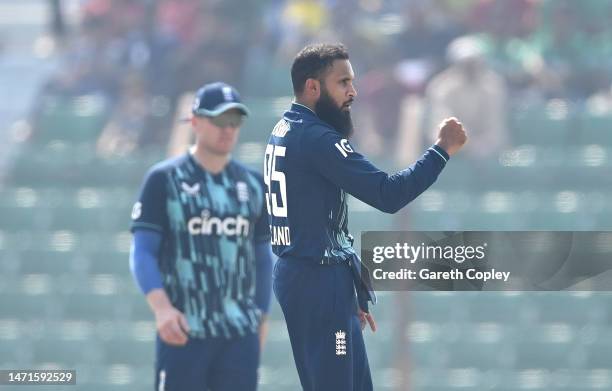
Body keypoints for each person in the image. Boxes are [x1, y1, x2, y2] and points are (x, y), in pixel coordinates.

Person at [265, 43, 467, 390]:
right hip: (318, 283)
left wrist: (348, 288)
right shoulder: (317, 138)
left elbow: (312, 219)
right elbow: (388, 195)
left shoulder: (285, 127)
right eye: (343, 82)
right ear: (313, 87)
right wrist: (441, 151)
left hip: (311, 277)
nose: (352, 92)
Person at [129, 82, 274, 391]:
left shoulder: (252, 184)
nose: (228, 129)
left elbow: (263, 258)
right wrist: (162, 309)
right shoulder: (165, 179)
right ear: (195, 122)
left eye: (235, 121)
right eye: (219, 120)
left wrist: (262, 317)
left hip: (239, 334)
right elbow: (142, 252)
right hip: (184, 331)